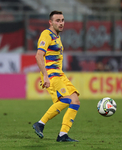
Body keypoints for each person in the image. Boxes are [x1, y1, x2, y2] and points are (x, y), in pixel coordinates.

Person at [32, 10, 80, 142]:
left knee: (75, 100)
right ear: (50, 22)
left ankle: (63, 135)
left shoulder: (56, 36)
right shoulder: (46, 34)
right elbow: (39, 56)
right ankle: (40, 124)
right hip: (52, 75)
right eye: (57, 21)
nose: (61, 23)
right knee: (65, 100)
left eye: (62, 20)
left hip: (60, 74)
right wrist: (45, 76)